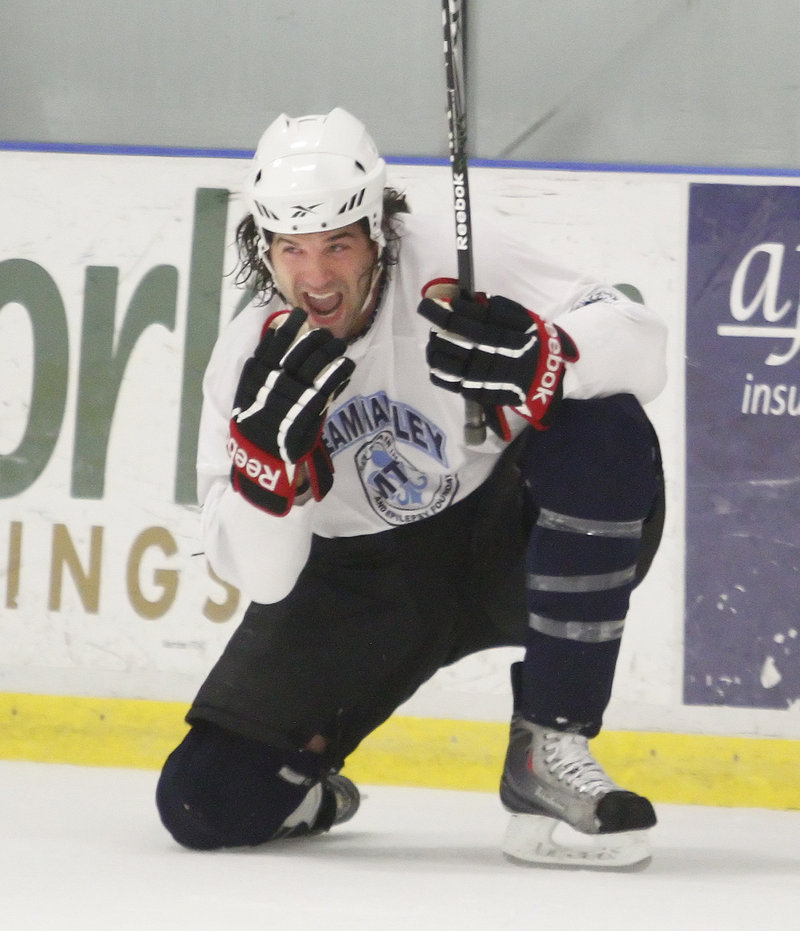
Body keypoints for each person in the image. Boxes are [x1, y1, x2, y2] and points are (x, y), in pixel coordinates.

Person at [155, 107, 667, 868]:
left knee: (604, 424)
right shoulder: (246, 363)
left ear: (378, 231)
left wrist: (549, 359)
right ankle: (315, 796)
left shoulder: (458, 262)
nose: (316, 277)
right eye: (291, 248)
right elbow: (264, 579)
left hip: (506, 537)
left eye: (338, 244)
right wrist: (270, 473)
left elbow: (642, 343)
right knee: (203, 803)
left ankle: (549, 745)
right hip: (362, 584)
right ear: (264, 247)